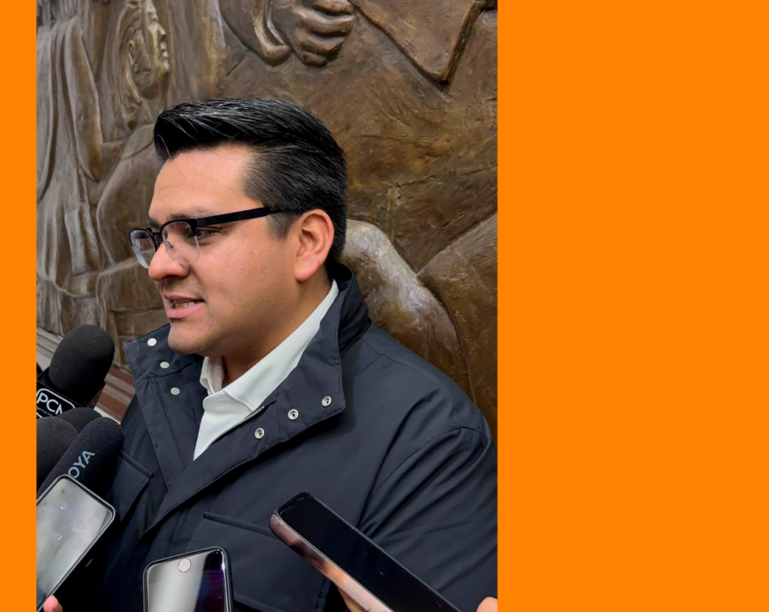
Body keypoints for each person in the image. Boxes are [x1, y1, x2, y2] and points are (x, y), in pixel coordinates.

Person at [49, 98, 496, 611]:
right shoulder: (162, 376)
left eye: (197, 231)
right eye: (159, 236)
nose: (159, 268)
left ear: (306, 242)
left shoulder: (431, 446)